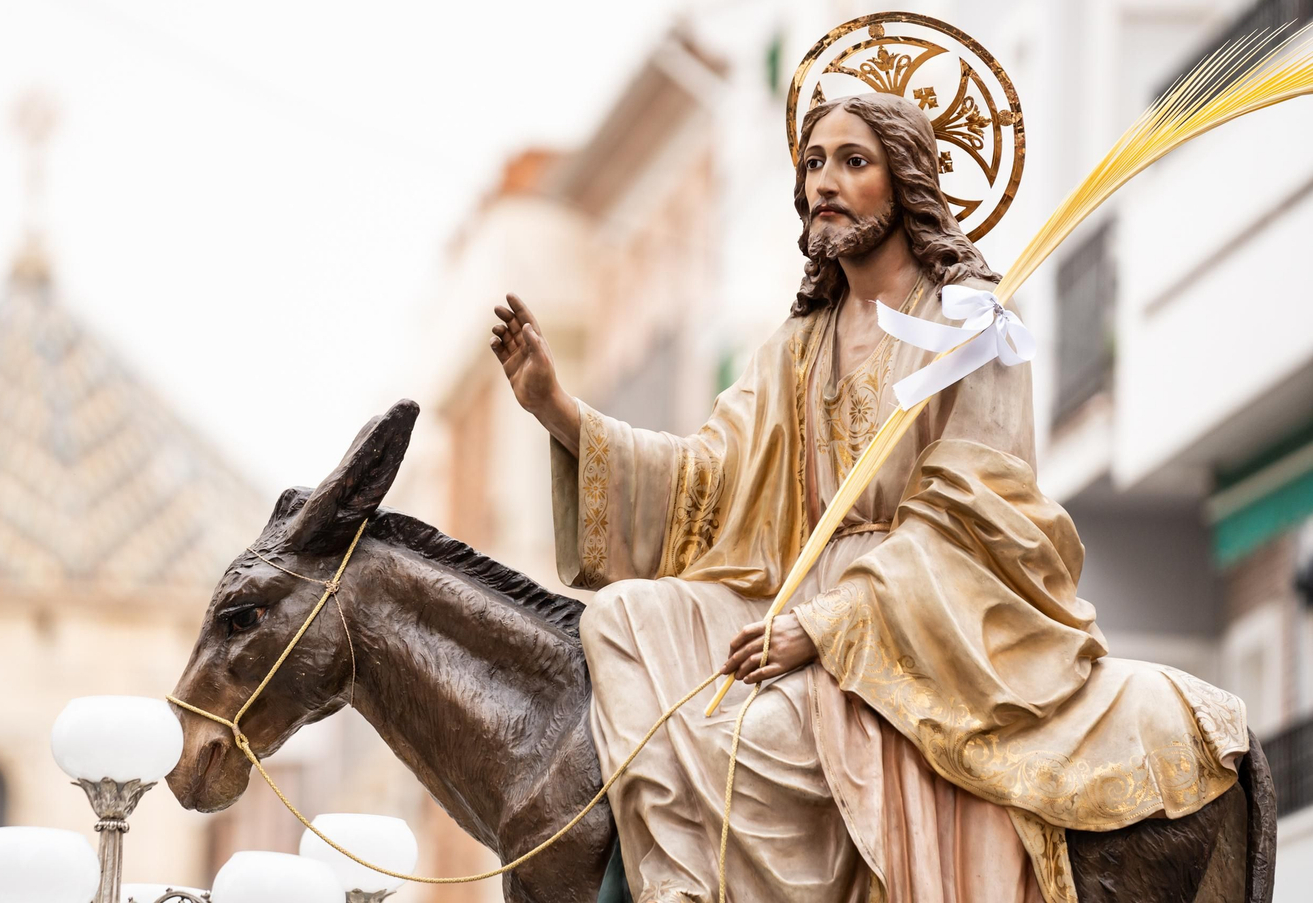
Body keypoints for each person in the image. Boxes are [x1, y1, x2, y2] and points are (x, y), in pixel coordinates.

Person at [489, 91, 1247, 903]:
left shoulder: (971, 326)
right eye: (814, 163)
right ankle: (677, 882)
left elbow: (971, 524)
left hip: (914, 619)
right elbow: (705, 483)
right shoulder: (796, 346)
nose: (825, 182)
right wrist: (557, 410)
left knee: (762, 733)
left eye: (853, 162)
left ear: (905, 181)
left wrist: (823, 629)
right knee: (622, 617)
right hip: (787, 592)